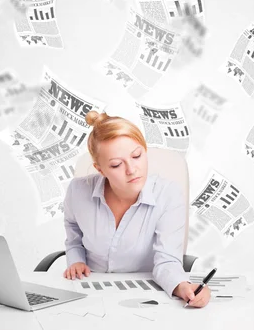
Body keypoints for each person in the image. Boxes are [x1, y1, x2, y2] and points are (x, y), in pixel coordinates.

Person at [62, 110, 210, 308]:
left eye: (137, 155)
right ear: (100, 169)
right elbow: (74, 234)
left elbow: (167, 260)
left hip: (143, 297)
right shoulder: (78, 191)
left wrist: (183, 287)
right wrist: (76, 260)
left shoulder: (168, 194)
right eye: (116, 165)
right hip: (89, 291)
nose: (132, 170)